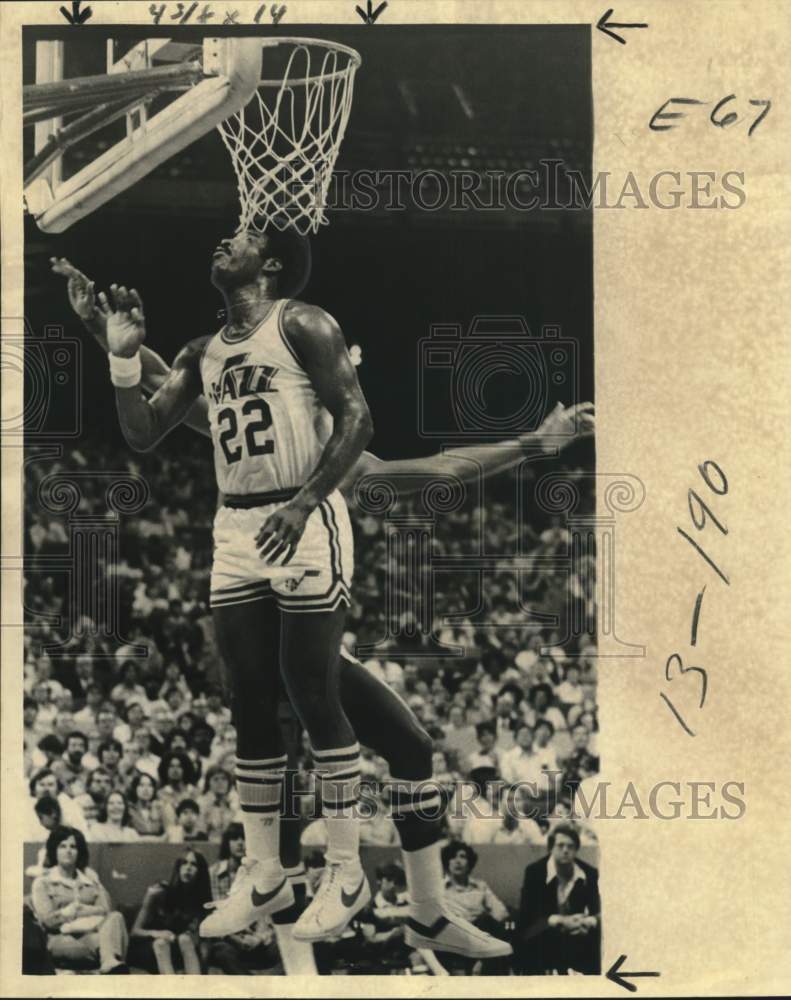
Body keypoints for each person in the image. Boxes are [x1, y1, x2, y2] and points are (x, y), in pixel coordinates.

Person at [53, 253, 592, 961]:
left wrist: (531, 444)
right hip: (253, 584)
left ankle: (423, 908)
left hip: (300, 578)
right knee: (334, 732)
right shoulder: (230, 400)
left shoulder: (323, 442)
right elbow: (156, 384)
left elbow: (432, 469)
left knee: (400, 743)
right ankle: (331, 886)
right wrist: (106, 338)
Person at [30, 826, 129, 973]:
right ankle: (110, 960)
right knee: (110, 942)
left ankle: (109, 961)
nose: (68, 851)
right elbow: (47, 921)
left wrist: (79, 910)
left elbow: (107, 911)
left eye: (73, 847)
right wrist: (67, 913)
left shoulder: (90, 881)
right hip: (62, 939)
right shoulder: (43, 882)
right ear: (54, 850)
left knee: (116, 917)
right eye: (62, 846)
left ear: (79, 852)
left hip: (94, 933)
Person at [513, 822, 600, 975]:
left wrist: (587, 922)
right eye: (560, 845)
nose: (565, 850)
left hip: (577, 932)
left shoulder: (589, 873)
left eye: (571, 846)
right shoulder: (535, 872)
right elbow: (527, 915)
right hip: (544, 931)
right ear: (551, 848)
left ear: (576, 849)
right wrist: (559, 920)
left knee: (595, 939)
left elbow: (597, 910)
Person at [205, 822, 280, 974]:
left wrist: (259, 938)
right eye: (234, 838)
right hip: (229, 940)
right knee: (221, 951)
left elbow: (266, 914)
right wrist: (237, 940)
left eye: (244, 838)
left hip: (257, 941)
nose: (240, 843)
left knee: (283, 945)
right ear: (227, 843)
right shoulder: (213, 873)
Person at [130, 850, 211, 974]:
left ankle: (195, 983)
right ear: (178, 868)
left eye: (193, 865)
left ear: (201, 872)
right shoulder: (158, 893)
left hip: (175, 947)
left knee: (185, 939)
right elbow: (135, 931)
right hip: (149, 946)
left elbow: (202, 940)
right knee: (161, 943)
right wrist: (157, 933)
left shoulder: (200, 901)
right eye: (184, 863)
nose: (188, 868)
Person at [127, 771, 167, 839]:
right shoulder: (129, 810)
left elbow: (168, 833)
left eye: (150, 785)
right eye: (141, 785)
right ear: (135, 788)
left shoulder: (160, 809)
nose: (146, 789)